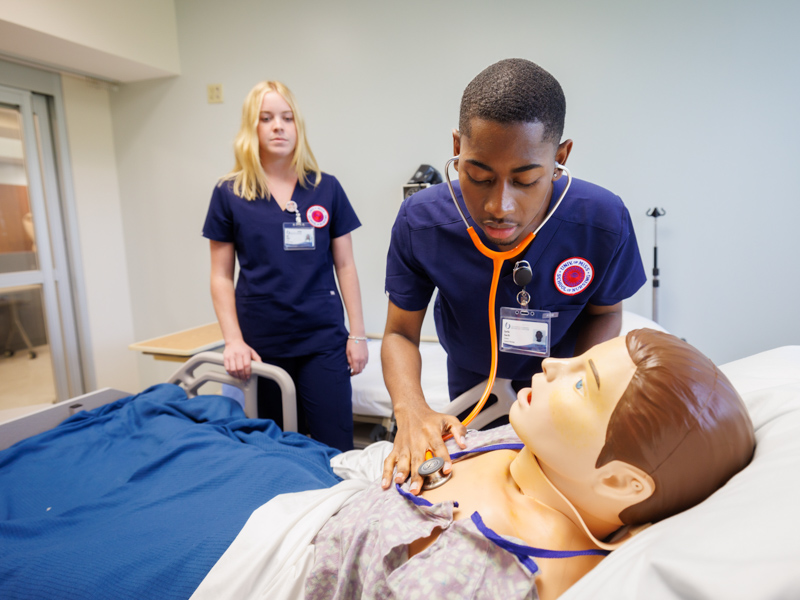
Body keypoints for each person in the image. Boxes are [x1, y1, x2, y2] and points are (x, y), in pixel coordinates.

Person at [303, 329, 755, 600]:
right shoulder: (549, 451)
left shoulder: (480, 575)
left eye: (583, 385)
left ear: (620, 481)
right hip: (323, 489)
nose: (554, 363)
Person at [382, 58, 647, 490]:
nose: (498, 207)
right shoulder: (422, 222)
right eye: (478, 175)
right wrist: (410, 410)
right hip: (472, 377)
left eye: (525, 180)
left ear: (561, 157)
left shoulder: (601, 220)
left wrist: (576, 389)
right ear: (456, 148)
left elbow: (604, 313)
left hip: (561, 374)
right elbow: (399, 334)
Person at [203, 80, 367, 451]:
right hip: (260, 344)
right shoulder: (230, 193)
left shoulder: (326, 188)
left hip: (322, 339)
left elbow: (346, 265)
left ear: (298, 126)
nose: (278, 126)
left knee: (334, 447)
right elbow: (220, 276)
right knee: (272, 449)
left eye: (287, 118)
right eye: (266, 118)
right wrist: (233, 341)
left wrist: (357, 334)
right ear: (252, 127)